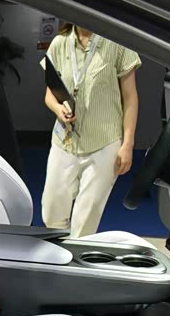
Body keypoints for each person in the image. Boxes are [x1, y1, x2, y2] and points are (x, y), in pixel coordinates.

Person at [40, 22, 141, 238]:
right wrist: (58, 109)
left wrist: (128, 144)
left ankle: (75, 257)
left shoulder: (118, 45)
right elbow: (49, 94)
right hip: (65, 140)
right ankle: (57, 252)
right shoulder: (59, 43)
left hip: (104, 143)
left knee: (86, 220)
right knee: (51, 212)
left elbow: (130, 98)